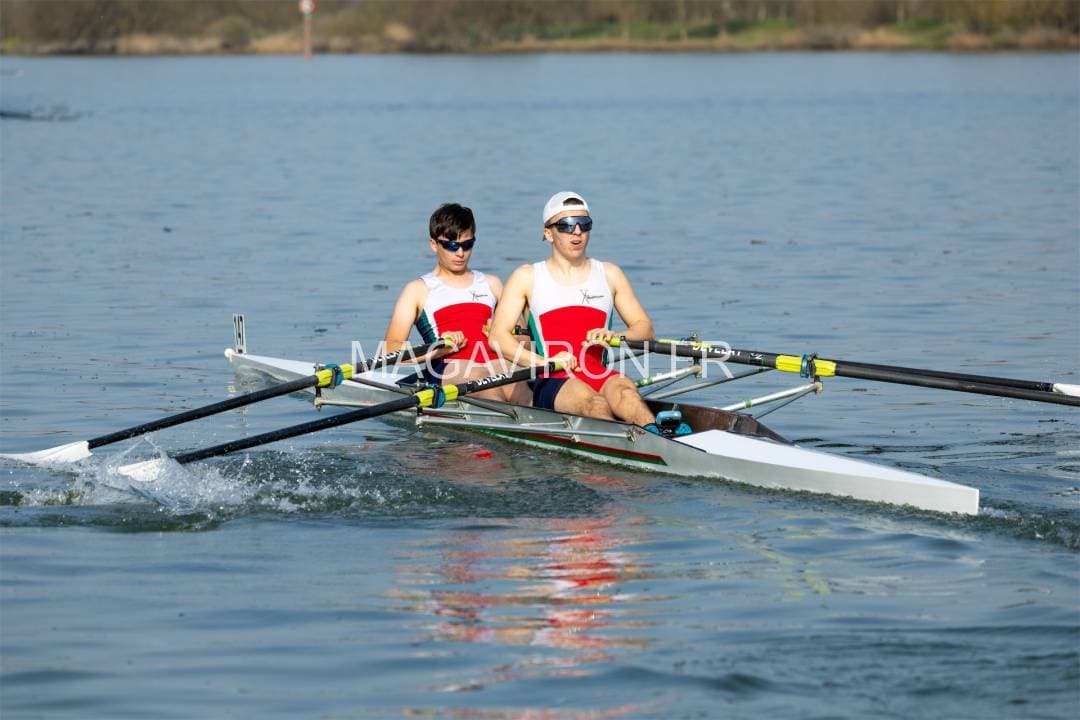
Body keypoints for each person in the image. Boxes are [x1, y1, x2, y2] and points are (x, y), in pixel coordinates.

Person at [488, 191, 689, 436]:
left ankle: (657, 435)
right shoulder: (527, 277)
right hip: (554, 378)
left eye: (584, 224)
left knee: (627, 393)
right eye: (566, 225)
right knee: (595, 403)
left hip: (598, 373)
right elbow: (498, 338)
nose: (577, 232)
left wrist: (616, 336)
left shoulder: (610, 274)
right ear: (548, 233)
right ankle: (626, 443)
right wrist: (543, 363)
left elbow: (645, 328)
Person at [383, 203, 531, 404]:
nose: (460, 253)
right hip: (451, 367)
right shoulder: (417, 290)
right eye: (451, 246)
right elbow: (390, 350)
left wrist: (505, 334)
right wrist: (437, 348)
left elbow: (526, 342)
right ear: (434, 244)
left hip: (497, 364)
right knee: (478, 375)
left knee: (512, 377)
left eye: (467, 244)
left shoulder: (492, 284)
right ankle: (500, 414)